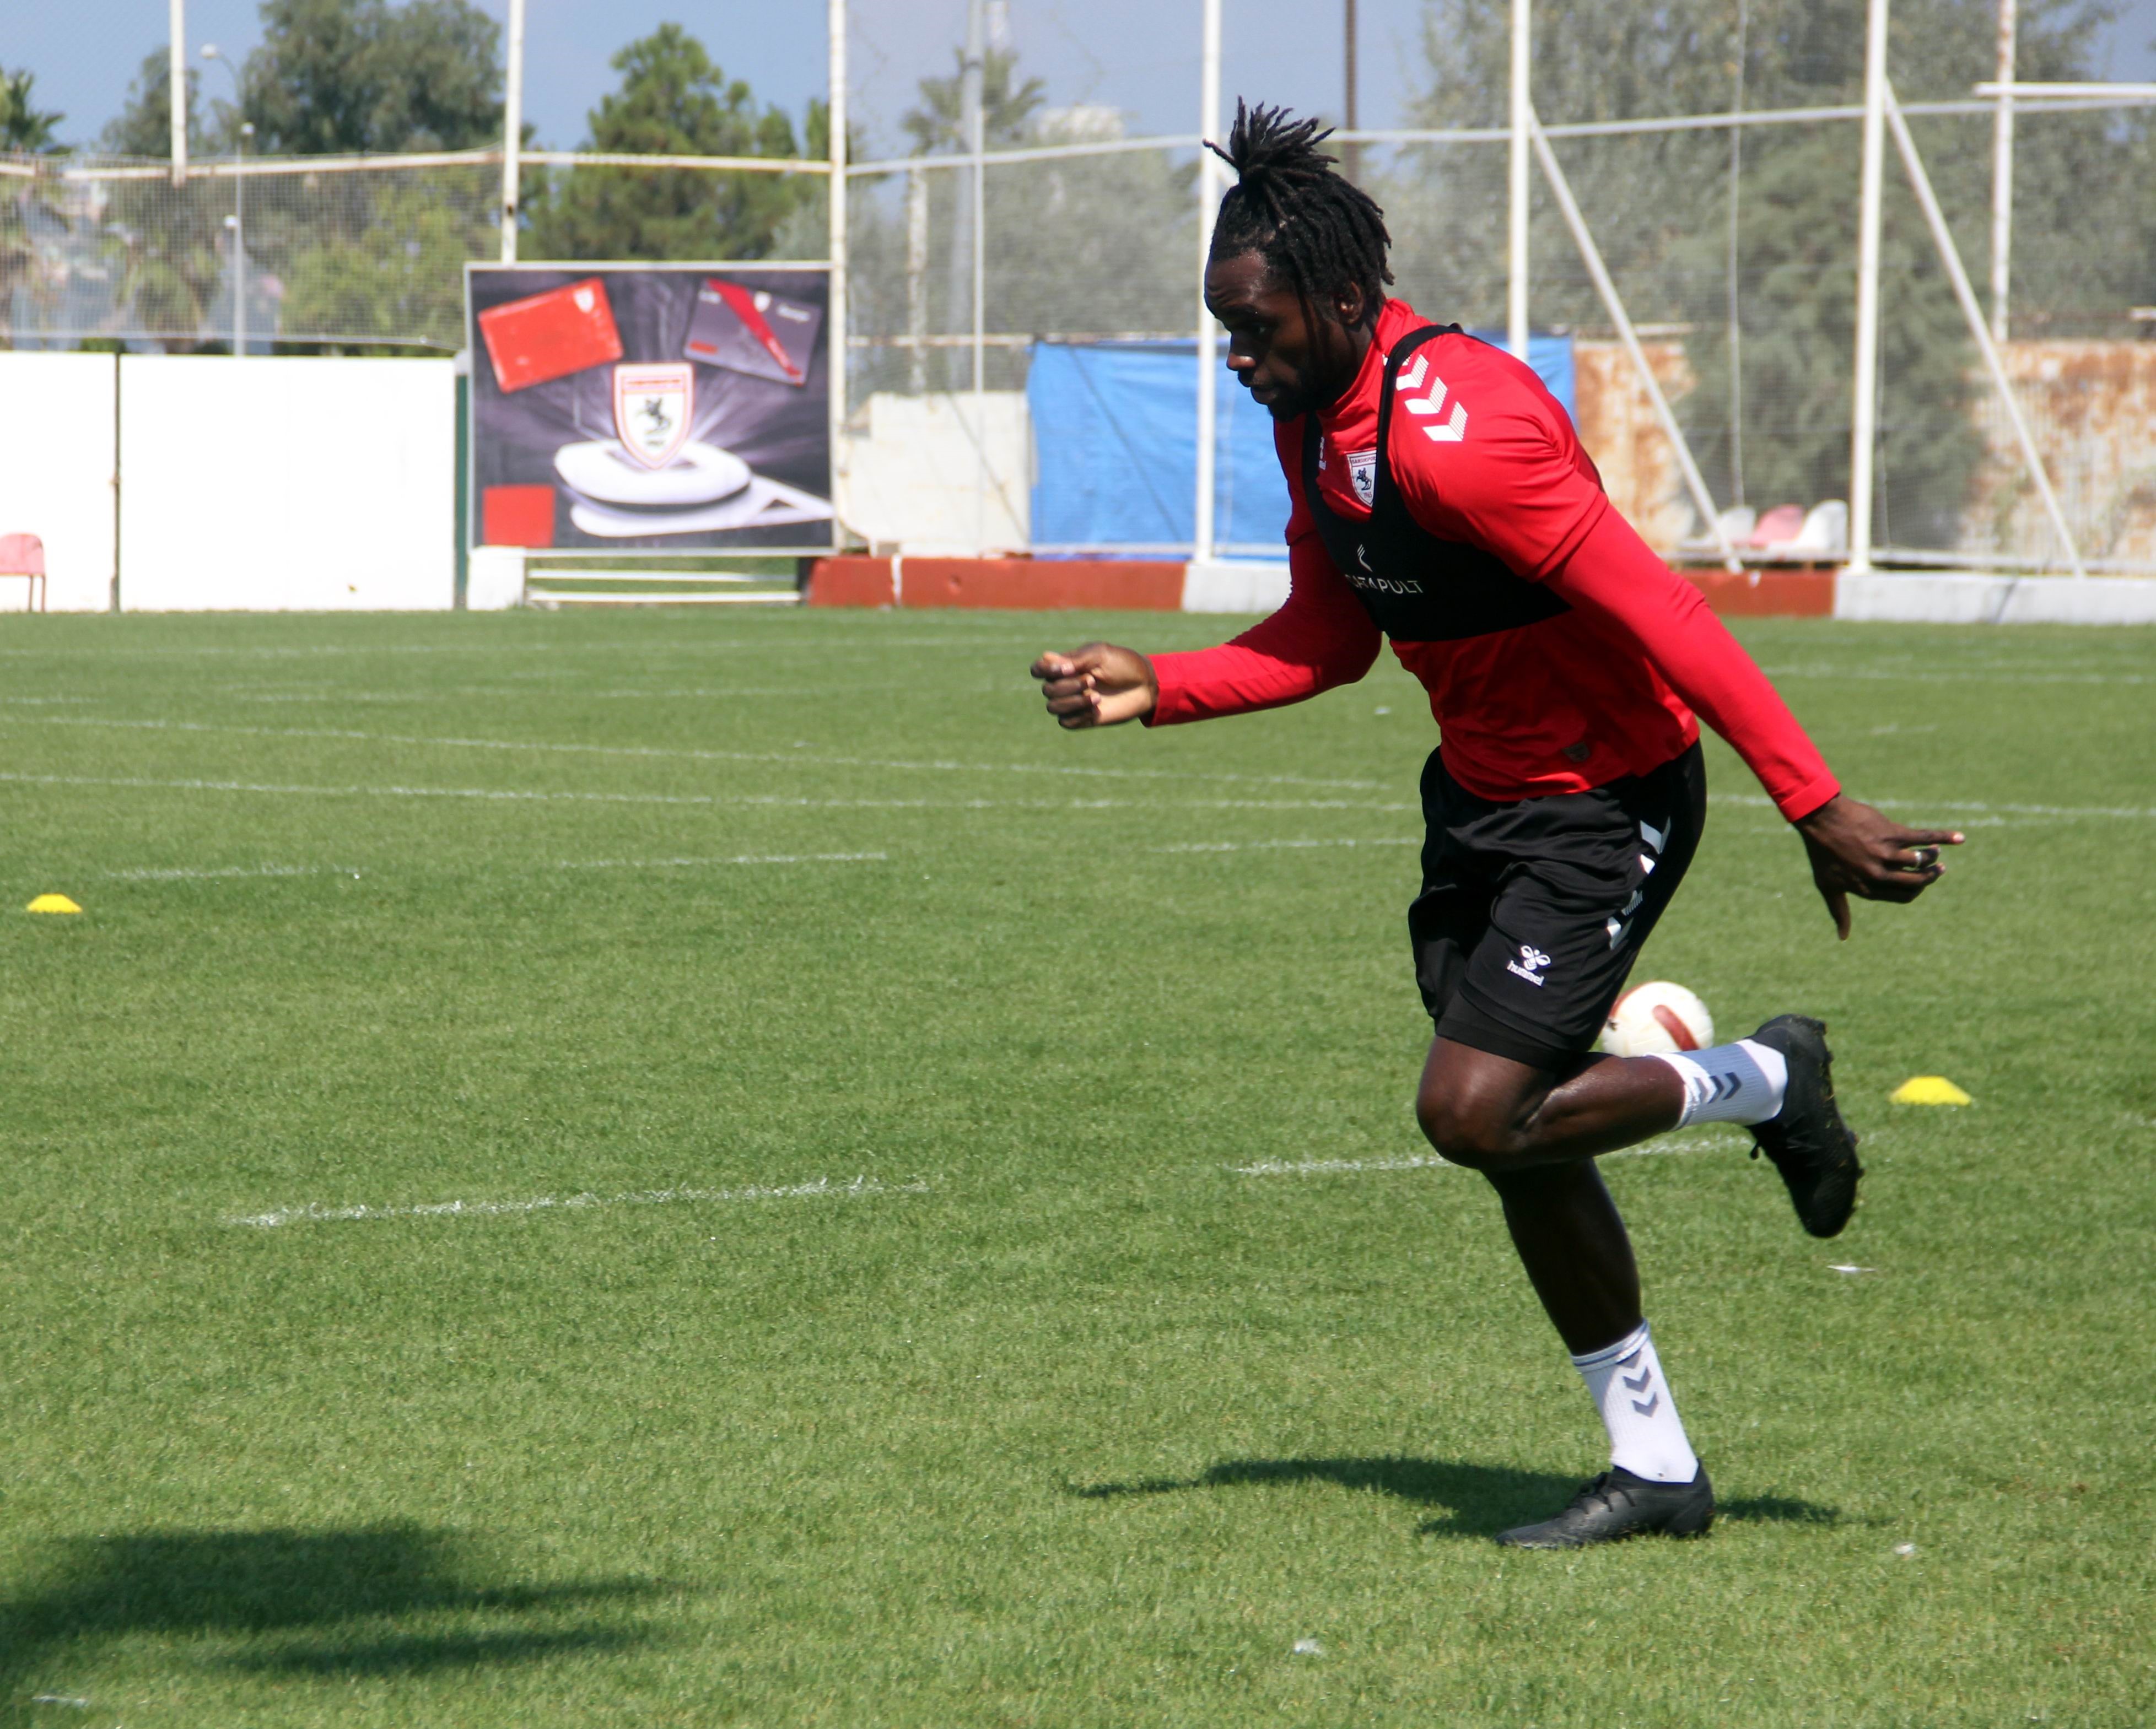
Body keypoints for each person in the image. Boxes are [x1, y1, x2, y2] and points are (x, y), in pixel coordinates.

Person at [1030, 102, 1961, 1550]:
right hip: (1477, 805)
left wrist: (1813, 799)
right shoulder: (1309, 420)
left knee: (1473, 1112)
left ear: (1347, 299)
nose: (1239, 358)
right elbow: (1332, 638)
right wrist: (1164, 684)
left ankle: (1767, 1078)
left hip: (1605, 798)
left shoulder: (1466, 430)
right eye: (1225, 330)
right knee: (1517, 1135)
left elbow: (1662, 607)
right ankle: (1654, 1465)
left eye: (1257, 327)